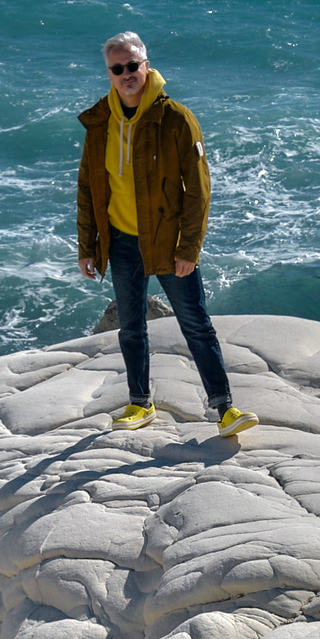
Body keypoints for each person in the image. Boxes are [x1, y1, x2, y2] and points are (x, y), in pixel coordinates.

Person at [75, 31, 258, 437]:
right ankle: (140, 404)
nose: (127, 74)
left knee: (195, 324)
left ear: (147, 65)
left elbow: (199, 190)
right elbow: (88, 188)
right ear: (109, 73)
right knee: (131, 327)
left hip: (168, 241)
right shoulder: (99, 122)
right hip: (121, 241)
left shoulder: (175, 118)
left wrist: (189, 246)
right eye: (118, 68)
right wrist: (88, 246)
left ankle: (225, 408)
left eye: (133, 65)